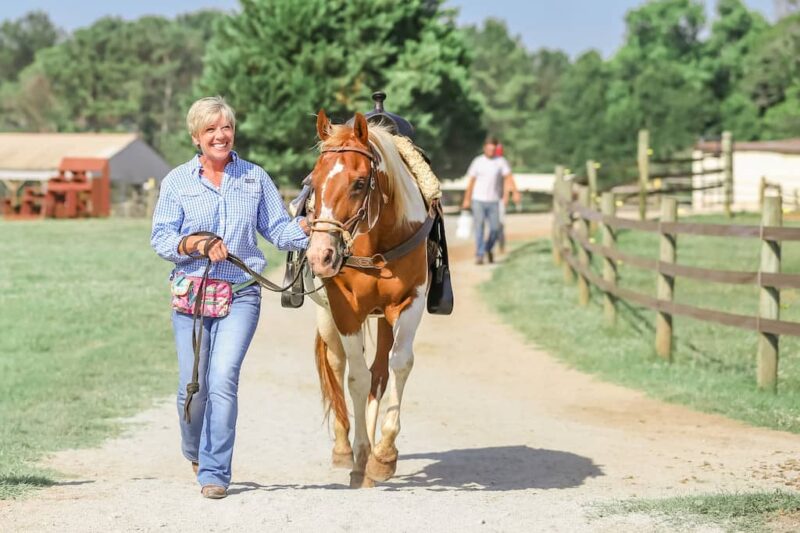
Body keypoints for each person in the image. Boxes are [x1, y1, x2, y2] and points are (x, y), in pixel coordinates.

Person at [150, 96, 309, 499]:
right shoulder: (176, 182)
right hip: (193, 296)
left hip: (240, 294)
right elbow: (161, 238)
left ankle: (215, 472)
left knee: (222, 380)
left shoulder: (254, 178)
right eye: (211, 130)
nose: (220, 135)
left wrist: (313, 229)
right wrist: (196, 242)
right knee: (194, 385)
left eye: (226, 127)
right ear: (196, 137)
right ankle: (194, 450)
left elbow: (278, 229)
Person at [461, 136, 520, 264]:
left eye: (493, 149)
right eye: (489, 149)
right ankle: (480, 254)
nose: (491, 152)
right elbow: (471, 182)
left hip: (494, 201)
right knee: (479, 227)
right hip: (478, 200)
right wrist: (467, 199)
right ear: (485, 148)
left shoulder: (501, 162)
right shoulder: (478, 162)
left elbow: (509, 177)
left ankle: (488, 248)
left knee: (495, 228)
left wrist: (515, 192)